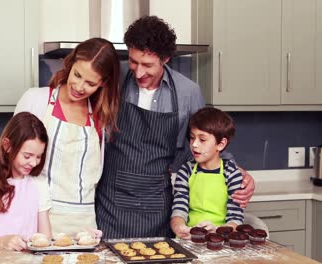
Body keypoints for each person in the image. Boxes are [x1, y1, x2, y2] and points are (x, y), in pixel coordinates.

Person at [94, 15, 254, 239]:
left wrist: (239, 173)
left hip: (157, 202)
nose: (138, 72)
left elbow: (208, 137)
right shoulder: (113, 78)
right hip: (111, 200)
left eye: (148, 65)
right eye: (133, 62)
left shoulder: (188, 92)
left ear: (166, 58)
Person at [0, 38, 120, 236]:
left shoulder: (101, 117)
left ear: (103, 83)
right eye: (77, 75)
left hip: (84, 224)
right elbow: (8, 153)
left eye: (90, 83)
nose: (80, 86)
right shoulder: (36, 100)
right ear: (71, 63)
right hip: (38, 218)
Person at [0, 112, 52, 258]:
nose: (33, 163)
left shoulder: (39, 184)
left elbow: (46, 241)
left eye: (39, 156)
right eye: (27, 156)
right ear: (8, 146)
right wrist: (2, 242)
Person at [170, 107, 244, 239]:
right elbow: (179, 210)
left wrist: (217, 231)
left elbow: (236, 219)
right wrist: (179, 227)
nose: (194, 145)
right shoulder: (186, 170)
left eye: (202, 140)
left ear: (220, 144)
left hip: (221, 240)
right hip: (189, 239)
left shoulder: (232, 174)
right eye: (192, 138)